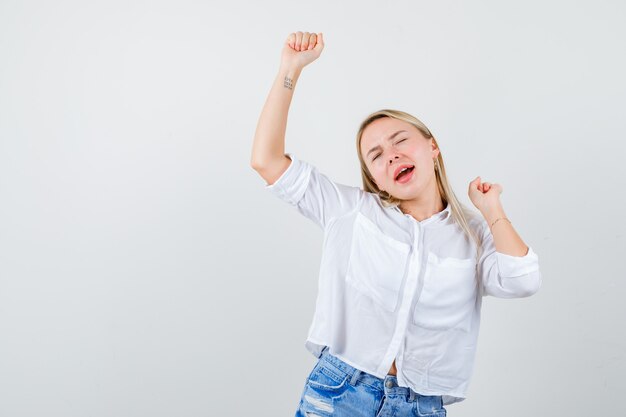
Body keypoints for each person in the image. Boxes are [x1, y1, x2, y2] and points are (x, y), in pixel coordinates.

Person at [251, 31, 542, 417]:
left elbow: (523, 280)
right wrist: (290, 70)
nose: (391, 156)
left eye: (400, 140)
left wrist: (491, 210)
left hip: (419, 406)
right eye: (376, 155)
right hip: (339, 393)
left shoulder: (475, 234)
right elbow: (266, 161)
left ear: (432, 147)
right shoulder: (352, 211)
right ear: (374, 177)